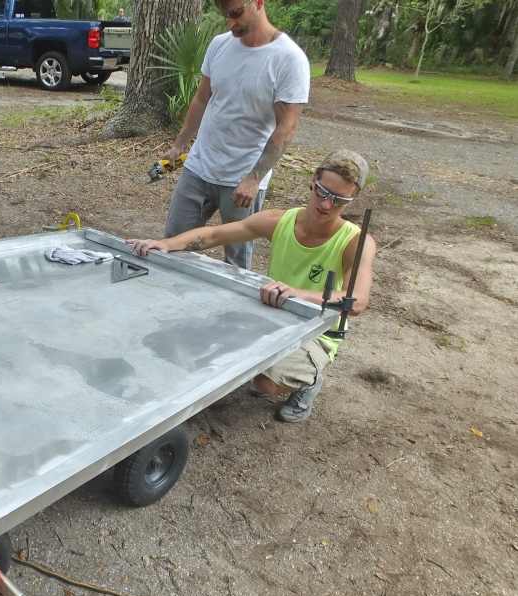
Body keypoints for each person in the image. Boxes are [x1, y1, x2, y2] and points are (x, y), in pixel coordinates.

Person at [128, 151, 377, 423]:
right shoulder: (279, 221)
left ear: (352, 199)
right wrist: (167, 244)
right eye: (323, 192)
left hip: (317, 331)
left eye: (339, 201)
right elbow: (212, 235)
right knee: (192, 339)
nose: (327, 205)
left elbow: (358, 301)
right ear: (313, 181)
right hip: (271, 313)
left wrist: (300, 295)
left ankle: (308, 380)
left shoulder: (356, 241)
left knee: (263, 383)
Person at [164, 0, 310, 270]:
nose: (230, 23)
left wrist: (254, 179)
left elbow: (286, 127)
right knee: (171, 245)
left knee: (236, 263)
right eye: (225, 16)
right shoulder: (219, 45)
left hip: (242, 180)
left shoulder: (288, 58)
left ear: (258, 3)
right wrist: (180, 144)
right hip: (199, 167)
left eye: (236, 14)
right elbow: (201, 98)